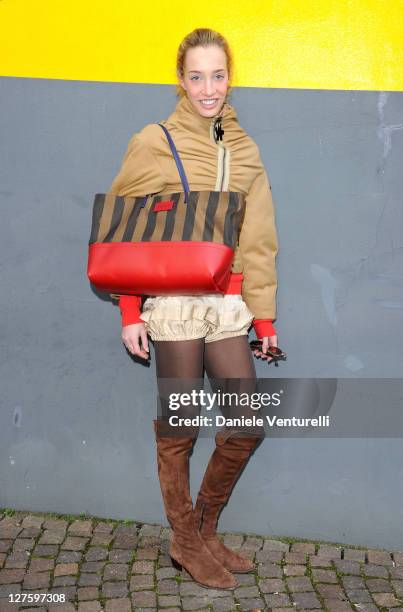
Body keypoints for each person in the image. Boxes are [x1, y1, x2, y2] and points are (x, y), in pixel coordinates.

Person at [107, 28, 279, 590]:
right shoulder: (153, 141)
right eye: (197, 76)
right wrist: (131, 312)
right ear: (180, 80)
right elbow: (121, 231)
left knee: (246, 421)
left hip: (227, 304)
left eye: (219, 75)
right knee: (180, 424)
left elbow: (258, 237)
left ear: (231, 78)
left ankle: (203, 526)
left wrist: (264, 316)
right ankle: (183, 539)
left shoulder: (245, 149)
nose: (209, 88)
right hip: (176, 303)